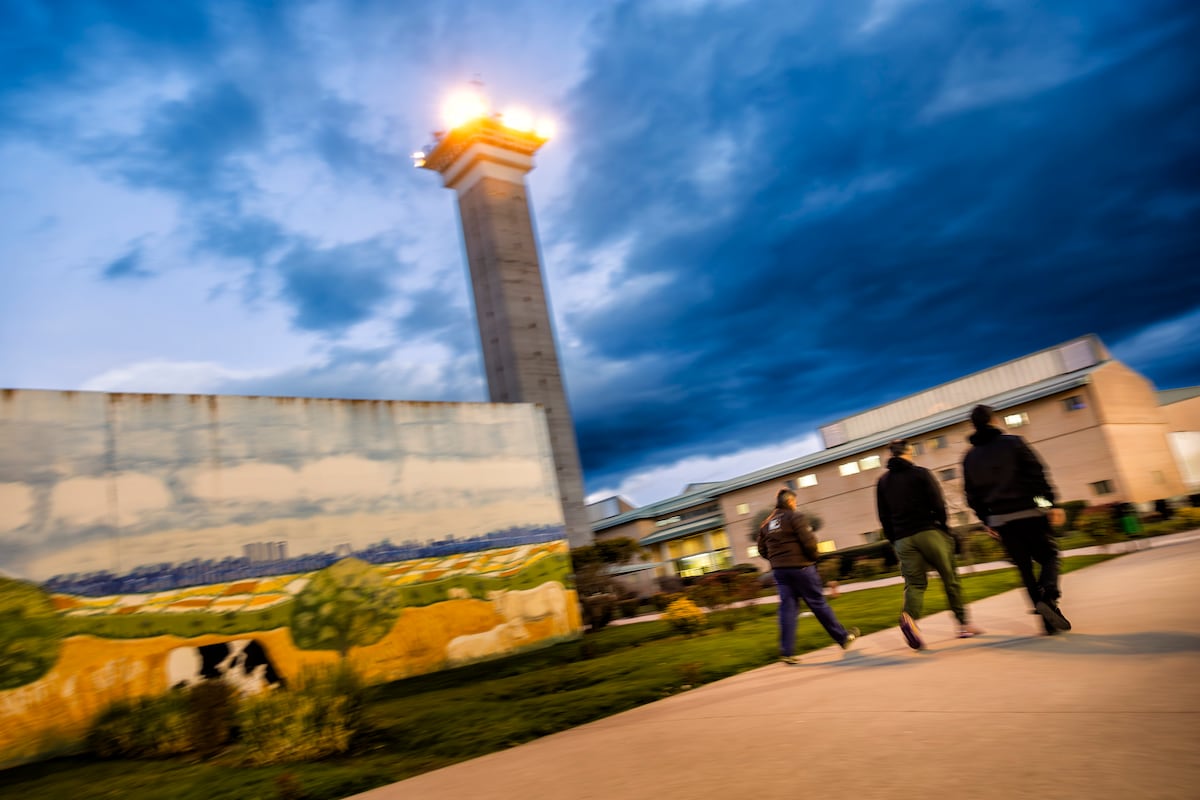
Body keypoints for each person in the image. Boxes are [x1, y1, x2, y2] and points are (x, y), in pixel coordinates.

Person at [961, 404, 1071, 635]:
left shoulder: (969, 457)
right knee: (1049, 556)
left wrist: (987, 521)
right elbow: (1036, 475)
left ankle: (1047, 623)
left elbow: (972, 495)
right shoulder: (1014, 443)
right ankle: (1048, 595)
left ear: (974, 426)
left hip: (1001, 521)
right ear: (993, 420)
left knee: (1024, 568)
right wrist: (1050, 504)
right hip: (1029, 512)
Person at [876, 439, 982, 649]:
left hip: (903, 539)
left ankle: (910, 618)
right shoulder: (921, 473)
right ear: (908, 452)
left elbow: (883, 516)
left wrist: (894, 539)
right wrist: (943, 528)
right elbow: (938, 503)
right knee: (950, 579)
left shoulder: (883, 482)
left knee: (915, 584)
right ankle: (963, 625)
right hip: (929, 532)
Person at [758, 487, 858, 664]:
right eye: (794, 502)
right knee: (818, 603)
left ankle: (786, 651)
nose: (796, 505)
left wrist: (777, 560)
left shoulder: (767, 524)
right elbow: (809, 541)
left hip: (780, 572)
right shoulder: (795, 516)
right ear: (790, 501)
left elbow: (762, 550)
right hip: (802, 568)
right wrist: (812, 558)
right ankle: (843, 638)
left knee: (787, 608)